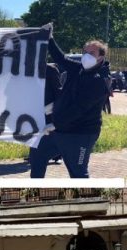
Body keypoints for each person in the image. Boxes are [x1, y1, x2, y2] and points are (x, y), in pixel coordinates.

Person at [29, 24, 110, 178]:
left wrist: (54, 123)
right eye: (85, 52)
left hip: (80, 134)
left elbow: (79, 109)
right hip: (59, 130)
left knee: (78, 172)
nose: (86, 55)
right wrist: (49, 38)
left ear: (101, 56)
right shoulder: (78, 69)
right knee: (37, 157)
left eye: (91, 52)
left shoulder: (99, 81)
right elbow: (61, 58)